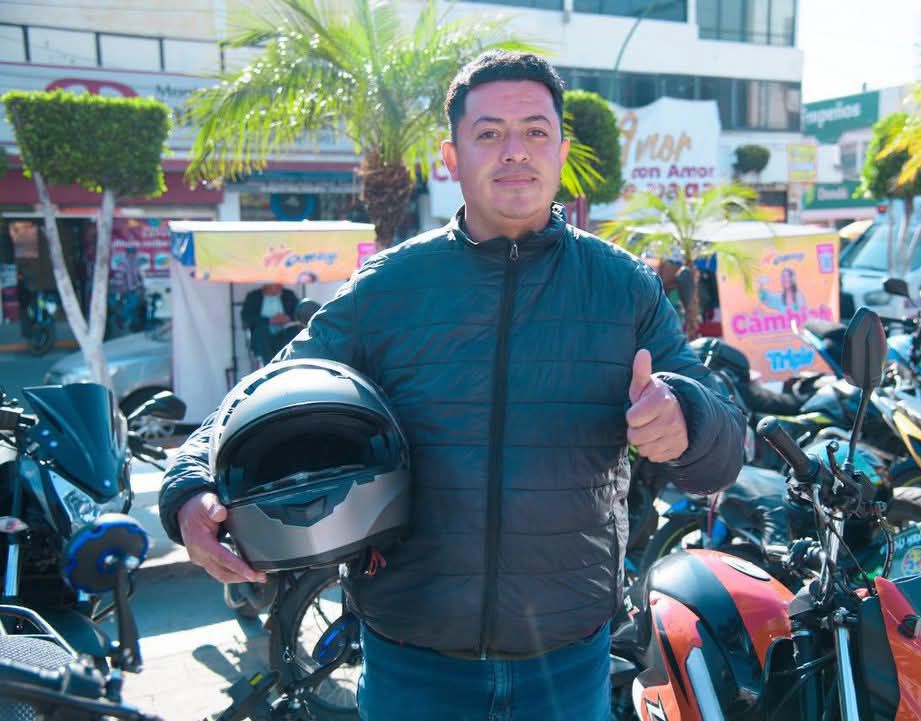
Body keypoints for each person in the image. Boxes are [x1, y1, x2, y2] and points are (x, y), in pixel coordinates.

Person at [158, 51, 744, 721]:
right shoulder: (389, 287)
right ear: (451, 157)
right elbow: (262, 396)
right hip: (411, 663)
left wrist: (688, 418)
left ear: (561, 150)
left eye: (536, 131)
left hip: (568, 661)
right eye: (489, 132)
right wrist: (189, 487)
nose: (515, 150)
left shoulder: (625, 287)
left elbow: (726, 446)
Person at [240, 283, 299, 364]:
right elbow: (247, 317)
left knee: (293, 330)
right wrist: (270, 320)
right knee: (261, 331)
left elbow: (298, 313)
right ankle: (268, 365)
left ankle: (287, 363)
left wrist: (287, 318)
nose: (277, 285)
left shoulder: (289, 295)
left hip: (285, 333)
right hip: (264, 336)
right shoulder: (253, 297)